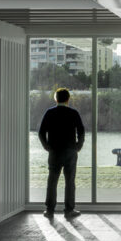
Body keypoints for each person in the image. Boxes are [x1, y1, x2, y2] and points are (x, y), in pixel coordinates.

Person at [38, 87, 85, 218]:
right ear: (68, 99)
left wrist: (46, 146)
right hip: (70, 151)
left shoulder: (49, 113)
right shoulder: (73, 113)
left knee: (52, 181)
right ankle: (69, 210)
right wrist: (78, 146)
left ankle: (50, 210)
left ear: (56, 99)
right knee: (70, 181)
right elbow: (81, 131)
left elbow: (41, 132)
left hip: (54, 151)